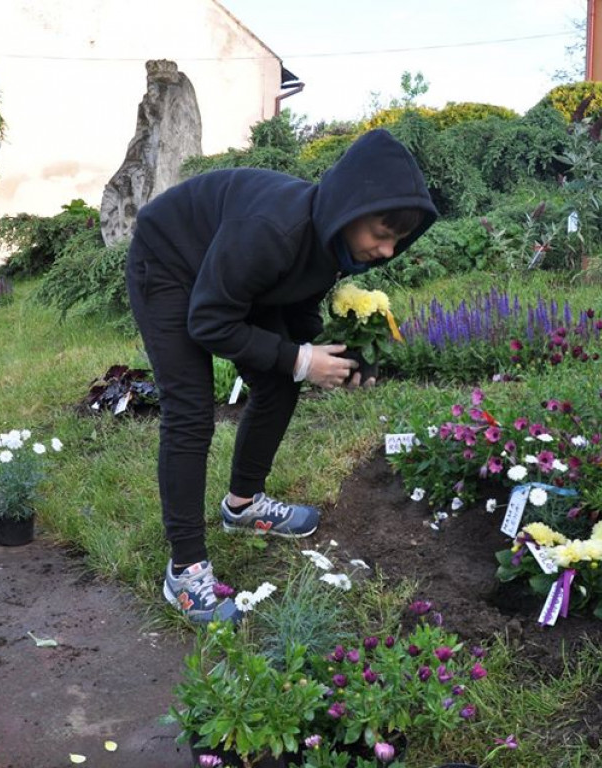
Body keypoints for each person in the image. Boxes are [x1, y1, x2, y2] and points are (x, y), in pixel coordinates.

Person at [125, 129, 437, 623]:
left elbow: (294, 298)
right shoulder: (273, 229)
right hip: (171, 261)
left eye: (396, 240)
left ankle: (242, 504)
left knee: (279, 380)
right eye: (381, 234)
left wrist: (330, 353)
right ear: (351, 207)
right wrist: (300, 358)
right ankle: (184, 568)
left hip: (226, 271)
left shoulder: (331, 240)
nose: (386, 250)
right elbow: (208, 322)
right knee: (190, 411)